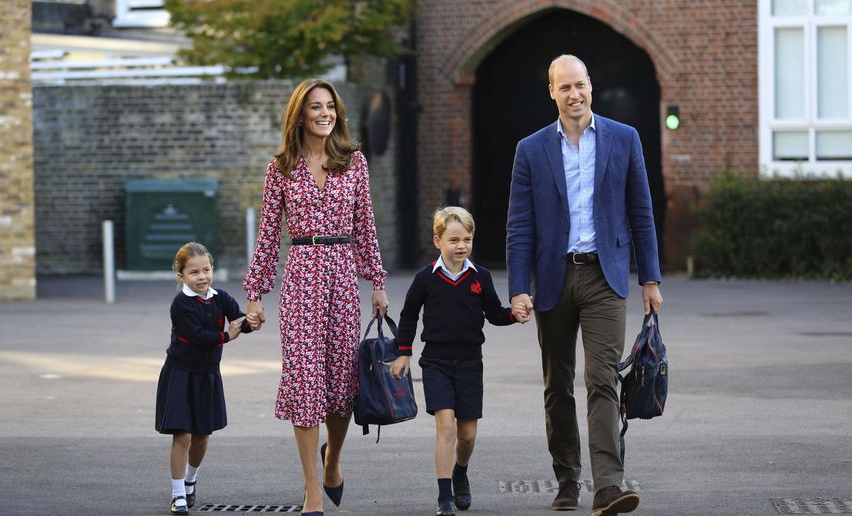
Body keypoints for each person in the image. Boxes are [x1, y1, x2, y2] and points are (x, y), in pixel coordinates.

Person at [506, 54, 664, 516]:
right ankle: (568, 479)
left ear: (590, 86)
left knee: (603, 380)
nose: (574, 94)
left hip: (605, 276)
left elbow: (642, 212)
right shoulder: (530, 149)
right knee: (558, 385)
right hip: (553, 278)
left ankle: (608, 487)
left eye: (580, 85)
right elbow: (519, 226)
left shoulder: (624, 138)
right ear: (551, 93)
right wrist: (519, 287)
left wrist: (649, 277)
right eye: (564, 87)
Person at [243, 79, 389, 516]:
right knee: (306, 384)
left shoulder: (355, 162)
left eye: (330, 106)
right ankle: (311, 492)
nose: (324, 113)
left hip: (343, 275)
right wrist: (255, 294)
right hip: (302, 275)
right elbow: (268, 237)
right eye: (315, 107)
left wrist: (376, 281)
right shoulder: (281, 168)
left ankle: (333, 461)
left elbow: (366, 225)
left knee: (343, 385)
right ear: (300, 115)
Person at [391, 206, 517, 516]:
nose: (461, 246)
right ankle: (444, 496)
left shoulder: (480, 277)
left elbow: (495, 314)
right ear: (438, 241)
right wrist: (403, 351)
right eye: (454, 239)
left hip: (470, 363)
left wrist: (515, 314)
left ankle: (461, 471)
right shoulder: (425, 279)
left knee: (467, 434)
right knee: (446, 426)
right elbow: (408, 316)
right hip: (435, 362)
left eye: (467, 239)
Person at [155, 242, 252, 515]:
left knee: (201, 437)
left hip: (208, 375)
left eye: (206, 270)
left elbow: (238, 319)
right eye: (194, 272)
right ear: (181, 276)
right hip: (181, 374)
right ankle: (177, 495)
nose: (202, 277)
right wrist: (227, 336)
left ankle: (190, 481)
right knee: (182, 435)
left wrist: (251, 322)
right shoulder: (181, 304)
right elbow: (196, 336)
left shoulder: (219, 297)